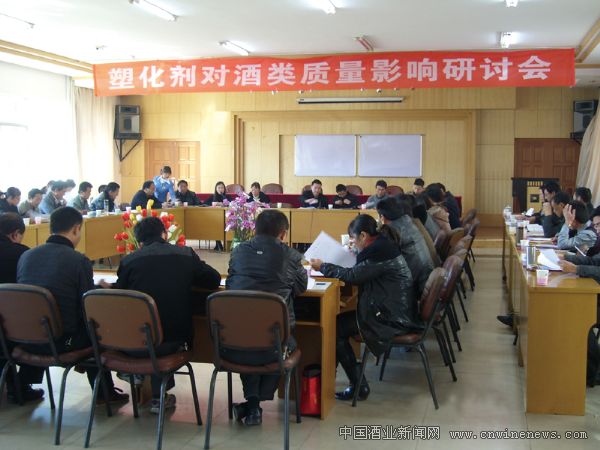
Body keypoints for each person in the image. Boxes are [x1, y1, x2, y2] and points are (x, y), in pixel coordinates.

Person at [17, 207, 127, 403]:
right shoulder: (78, 260)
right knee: (97, 331)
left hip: (26, 338)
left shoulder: (27, 256)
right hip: (63, 342)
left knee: (43, 320)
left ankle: (21, 385)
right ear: (76, 228)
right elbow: (88, 304)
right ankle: (104, 393)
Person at [113, 217, 220, 413]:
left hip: (133, 344)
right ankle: (158, 396)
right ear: (164, 234)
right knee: (165, 325)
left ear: (139, 242)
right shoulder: (185, 255)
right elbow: (213, 280)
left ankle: (137, 377)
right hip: (175, 341)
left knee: (149, 328)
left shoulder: (129, 261)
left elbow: (118, 297)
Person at [310, 215, 419, 402]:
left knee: (335, 327)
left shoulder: (378, 252)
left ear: (363, 236)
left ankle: (357, 385)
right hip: (395, 309)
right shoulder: (382, 246)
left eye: (353, 239)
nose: (352, 243)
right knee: (339, 321)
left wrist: (323, 266)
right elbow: (362, 271)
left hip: (391, 318)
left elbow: (353, 276)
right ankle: (332, 378)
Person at [226, 209, 307, 425]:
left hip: (234, 342)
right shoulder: (291, 255)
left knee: (249, 332)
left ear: (255, 229)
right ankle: (255, 404)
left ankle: (252, 405)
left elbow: (231, 282)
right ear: (283, 234)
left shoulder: (239, 251)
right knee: (273, 337)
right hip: (276, 345)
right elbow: (301, 287)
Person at [0, 213, 45, 402]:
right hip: (13, 326)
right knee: (45, 329)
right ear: (15, 234)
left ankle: (13, 384)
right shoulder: (22, 254)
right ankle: (21, 384)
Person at [377, 198, 434, 296]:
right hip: (424, 276)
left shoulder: (392, 229)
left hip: (413, 285)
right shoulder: (407, 220)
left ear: (382, 217)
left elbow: (381, 257)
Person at [204, 181, 228, 251]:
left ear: (224, 189)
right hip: (214, 218)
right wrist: (213, 204)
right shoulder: (212, 196)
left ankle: (220, 244)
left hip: (225, 218)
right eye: (219, 188)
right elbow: (204, 204)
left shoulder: (226, 196)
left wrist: (222, 204)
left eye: (222, 188)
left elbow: (230, 204)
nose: (220, 189)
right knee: (214, 225)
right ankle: (218, 243)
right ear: (216, 189)